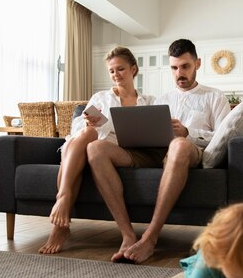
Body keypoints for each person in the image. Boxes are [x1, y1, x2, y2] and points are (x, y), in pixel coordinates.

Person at [86, 39, 230, 263]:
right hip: (157, 153)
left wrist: (187, 132)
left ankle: (150, 237)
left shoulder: (214, 96)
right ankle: (127, 235)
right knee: (95, 149)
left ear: (197, 64)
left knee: (179, 144)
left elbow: (224, 137)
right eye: (174, 68)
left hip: (192, 150)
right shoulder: (162, 100)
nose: (179, 73)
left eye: (185, 66)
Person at [38, 46, 155, 254]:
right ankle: (63, 198)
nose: (116, 75)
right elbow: (75, 132)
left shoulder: (149, 101)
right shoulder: (100, 97)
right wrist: (88, 121)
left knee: (89, 140)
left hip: (126, 149)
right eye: (111, 71)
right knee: (88, 134)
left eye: (120, 69)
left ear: (133, 69)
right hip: (93, 144)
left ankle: (61, 217)